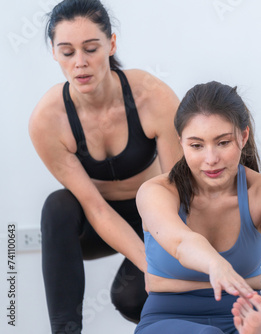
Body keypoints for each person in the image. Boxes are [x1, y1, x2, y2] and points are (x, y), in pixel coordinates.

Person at [28, 0, 182, 332]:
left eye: (91, 48)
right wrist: (149, 265)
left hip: (153, 216)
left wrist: (163, 265)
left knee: (130, 297)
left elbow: (180, 191)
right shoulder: (47, 121)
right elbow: (95, 208)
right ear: (54, 53)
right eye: (67, 52)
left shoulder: (151, 96)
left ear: (111, 44)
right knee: (57, 206)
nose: (80, 63)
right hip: (95, 225)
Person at [134, 81, 261, 334]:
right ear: (181, 142)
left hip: (246, 314)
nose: (211, 158)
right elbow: (181, 243)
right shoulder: (156, 192)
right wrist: (216, 264)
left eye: (223, 143)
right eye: (196, 145)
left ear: (243, 136)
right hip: (166, 319)